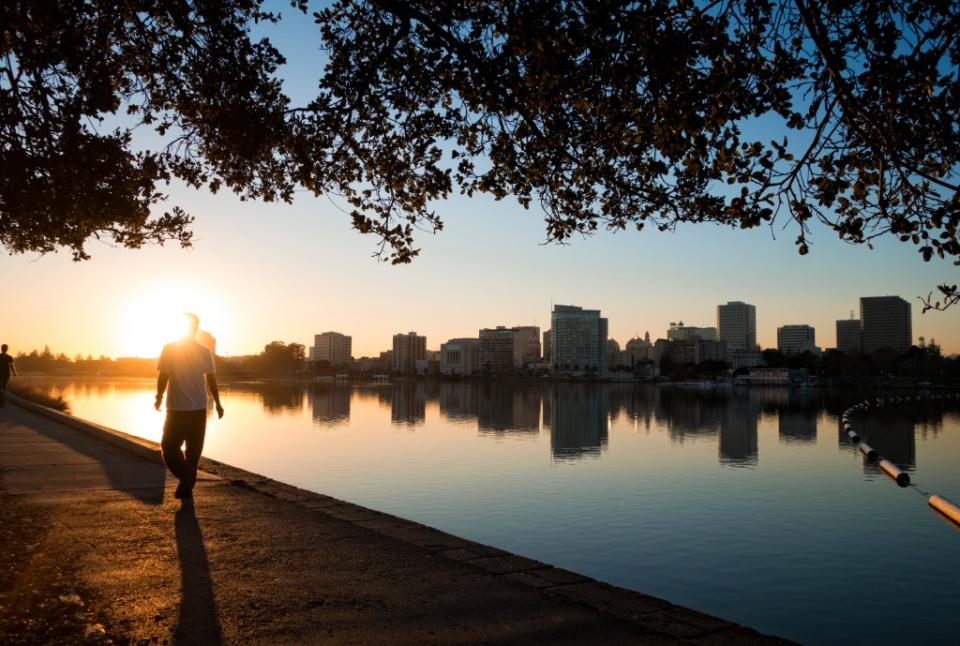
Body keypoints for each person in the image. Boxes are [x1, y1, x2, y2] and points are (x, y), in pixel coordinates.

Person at [155, 314, 224, 499]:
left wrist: (218, 403)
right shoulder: (197, 351)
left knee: (171, 449)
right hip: (189, 409)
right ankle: (188, 478)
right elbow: (211, 379)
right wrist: (216, 403)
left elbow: (164, 376)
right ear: (195, 328)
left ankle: (186, 483)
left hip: (184, 409)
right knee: (184, 451)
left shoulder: (184, 350)